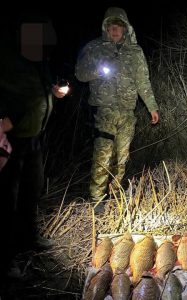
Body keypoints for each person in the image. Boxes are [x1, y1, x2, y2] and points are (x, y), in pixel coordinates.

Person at [0, 12, 68, 278]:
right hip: (9, 140)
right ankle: (6, 260)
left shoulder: (35, 55)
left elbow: (34, 87)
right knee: (6, 200)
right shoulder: (6, 54)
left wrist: (52, 91)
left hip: (33, 136)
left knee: (31, 191)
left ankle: (29, 237)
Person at [75, 7, 160, 209]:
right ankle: (97, 199)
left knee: (122, 158)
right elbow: (80, 74)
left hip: (127, 113)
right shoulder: (94, 48)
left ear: (125, 29)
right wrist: (98, 69)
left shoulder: (135, 51)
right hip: (104, 111)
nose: (115, 30)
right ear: (106, 28)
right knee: (103, 155)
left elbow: (143, 82)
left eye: (119, 27)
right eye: (111, 27)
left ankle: (114, 194)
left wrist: (152, 107)